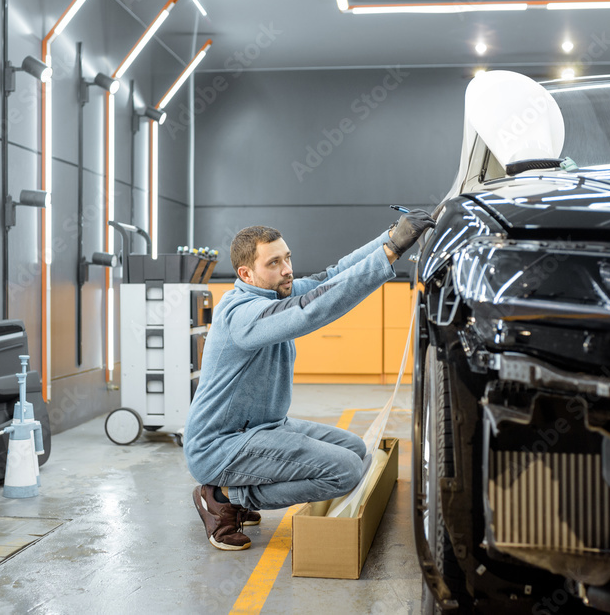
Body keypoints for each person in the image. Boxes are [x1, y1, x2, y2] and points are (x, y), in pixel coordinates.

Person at [184, 210, 434, 550]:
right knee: (344, 471)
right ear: (246, 273)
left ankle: (236, 495)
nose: (287, 269)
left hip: (266, 427)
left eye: (287, 258)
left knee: (357, 451)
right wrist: (389, 254)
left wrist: (391, 241)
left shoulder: (276, 293)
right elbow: (311, 309)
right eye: (273, 263)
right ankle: (223, 495)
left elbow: (332, 276)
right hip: (220, 445)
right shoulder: (242, 314)